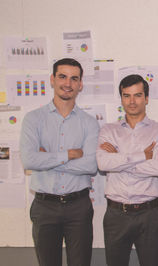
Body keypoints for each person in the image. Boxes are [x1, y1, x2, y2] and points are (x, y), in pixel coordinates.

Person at [20, 58, 99, 266]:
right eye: (62, 76)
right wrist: (68, 154)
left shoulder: (89, 123)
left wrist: (47, 158)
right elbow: (29, 160)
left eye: (74, 78)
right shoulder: (33, 119)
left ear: (80, 84)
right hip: (44, 206)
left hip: (78, 206)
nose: (68, 83)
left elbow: (90, 166)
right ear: (52, 80)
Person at [96, 74, 158, 266]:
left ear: (146, 98)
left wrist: (119, 158)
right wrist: (142, 156)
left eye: (137, 95)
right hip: (116, 214)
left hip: (149, 214)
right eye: (126, 95)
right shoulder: (108, 130)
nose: (132, 101)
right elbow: (103, 164)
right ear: (121, 98)